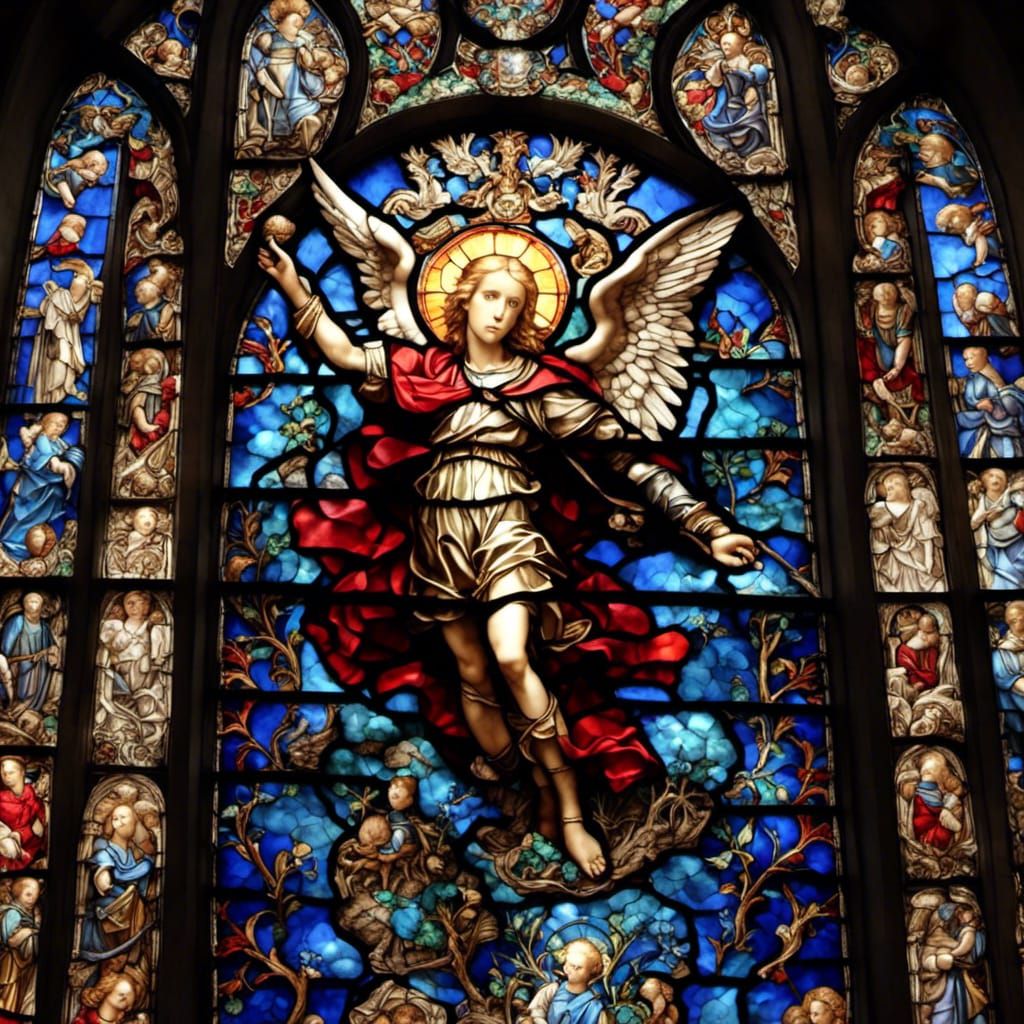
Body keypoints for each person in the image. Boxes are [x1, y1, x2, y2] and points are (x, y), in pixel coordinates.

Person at [259, 236, 756, 879]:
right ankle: (524, 789)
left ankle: (570, 808)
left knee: (513, 655)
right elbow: (343, 352)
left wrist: (707, 527)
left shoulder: (542, 386)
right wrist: (293, 284)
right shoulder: (423, 370)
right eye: (490, 296)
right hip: (440, 529)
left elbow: (626, 459)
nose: (499, 311)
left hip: (509, 524)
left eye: (513, 303)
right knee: (470, 670)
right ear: (464, 301)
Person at [240, 0, 327, 155]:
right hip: (272, 74)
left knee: (296, 101)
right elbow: (253, 55)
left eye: (300, 26)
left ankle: (300, 128)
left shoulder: (300, 41)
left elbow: (307, 61)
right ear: (279, 22)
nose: (298, 29)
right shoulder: (266, 37)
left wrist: (306, 56)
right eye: (294, 24)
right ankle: (271, 136)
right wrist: (260, 75)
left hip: (293, 76)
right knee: (272, 108)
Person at [94, 592, 172, 762]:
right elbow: (117, 644)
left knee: (143, 701)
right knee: (123, 699)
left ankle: (144, 739)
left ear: (147, 606)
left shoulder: (154, 627)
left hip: (145, 674)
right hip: (122, 671)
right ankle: (121, 734)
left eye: (140, 603)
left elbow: (159, 650)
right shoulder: (118, 625)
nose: (134, 607)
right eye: (129, 603)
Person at [0, 412, 84, 564]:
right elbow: (48, 456)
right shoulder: (41, 439)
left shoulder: (61, 444)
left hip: (49, 491)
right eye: (54, 423)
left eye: (62, 425)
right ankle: (11, 546)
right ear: (44, 423)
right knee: (23, 518)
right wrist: (57, 465)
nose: (58, 427)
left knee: (45, 510)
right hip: (33, 488)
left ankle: (30, 549)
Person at [80, 803, 155, 963]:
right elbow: (105, 881)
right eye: (116, 818)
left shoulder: (134, 855)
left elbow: (140, 890)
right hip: (106, 916)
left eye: (124, 818)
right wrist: (105, 876)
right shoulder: (104, 852)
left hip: (128, 915)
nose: (119, 822)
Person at [24, 258, 103, 404]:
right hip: (58, 334)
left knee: (65, 365)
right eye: (76, 281)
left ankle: (60, 393)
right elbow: (57, 308)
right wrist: (55, 294)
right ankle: (49, 399)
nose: (76, 285)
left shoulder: (75, 297)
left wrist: (56, 294)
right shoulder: (65, 295)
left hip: (68, 334)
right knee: (57, 365)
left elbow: (74, 312)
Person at [699, 30, 771, 159]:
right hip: (725, 97)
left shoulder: (744, 61)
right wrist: (719, 68)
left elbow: (755, 78)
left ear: (739, 46)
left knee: (748, 119)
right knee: (712, 120)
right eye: (723, 44)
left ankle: (748, 146)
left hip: (743, 98)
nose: (726, 47)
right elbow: (714, 79)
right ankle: (727, 149)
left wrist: (745, 79)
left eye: (729, 44)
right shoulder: (721, 63)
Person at [868, 470, 944, 592]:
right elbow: (877, 535)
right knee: (888, 581)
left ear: (906, 488)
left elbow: (927, 538)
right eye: (887, 486)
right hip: (893, 559)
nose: (890, 487)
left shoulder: (918, 507)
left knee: (935, 585)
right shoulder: (882, 510)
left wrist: (928, 562)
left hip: (918, 558)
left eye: (896, 483)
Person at [916, 899, 989, 1024]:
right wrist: (936, 962)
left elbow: (968, 953)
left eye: (961, 913)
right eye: (956, 916)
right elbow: (925, 959)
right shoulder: (933, 939)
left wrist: (952, 954)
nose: (959, 919)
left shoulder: (968, 935)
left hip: (960, 985)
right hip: (939, 990)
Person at [954, 347, 1024, 457]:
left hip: (996, 419)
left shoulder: (992, 376)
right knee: (956, 419)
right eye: (965, 359)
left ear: (984, 357)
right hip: (979, 417)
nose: (968, 363)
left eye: (972, 358)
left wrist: (991, 404)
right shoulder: (971, 379)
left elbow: (1002, 397)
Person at [526, 938, 610, 1024]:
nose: (568, 969)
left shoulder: (594, 1006)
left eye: (577, 967)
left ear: (592, 970)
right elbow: (534, 1013)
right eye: (568, 964)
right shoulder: (553, 989)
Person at [0, 592, 60, 714]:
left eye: (36, 602)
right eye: (30, 601)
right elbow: (5, 647)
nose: (32, 605)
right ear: (24, 605)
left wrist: (50, 652)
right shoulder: (17, 621)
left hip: (40, 670)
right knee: (17, 694)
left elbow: (52, 647)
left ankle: (30, 710)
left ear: (41, 606)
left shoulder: (45, 627)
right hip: (17, 667)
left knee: (34, 697)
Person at [969, 468, 1024, 589]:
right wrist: (985, 517)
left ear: (1006, 483)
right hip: (993, 548)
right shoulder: (980, 503)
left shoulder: (1011, 497)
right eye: (991, 476)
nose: (995, 479)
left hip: (1017, 541)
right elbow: (973, 524)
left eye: (1000, 477)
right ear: (983, 482)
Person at [0, 877, 40, 1015]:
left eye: (35, 896)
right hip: (10, 962)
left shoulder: (28, 914)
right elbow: (11, 941)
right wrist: (31, 931)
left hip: (19, 964)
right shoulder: (13, 913)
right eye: (28, 894)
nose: (32, 899)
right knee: (9, 993)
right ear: (16, 893)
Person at [0, 757, 46, 870]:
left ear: (22, 772)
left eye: (11, 772)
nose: (6, 776)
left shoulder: (36, 800)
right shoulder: (1, 799)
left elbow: (40, 831)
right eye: (3, 773)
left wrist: (23, 834)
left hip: (33, 857)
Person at [992, 600, 1024, 754]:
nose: (1017, 622)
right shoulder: (1001, 653)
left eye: (1019, 618)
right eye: (1013, 620)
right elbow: (1011, 681)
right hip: (1017, 713)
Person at [913, 133, 980, 199]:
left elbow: (973, 177)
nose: (920, 154)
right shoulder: (924, 166)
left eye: (927, 149)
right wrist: (937, 182)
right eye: (921, 150)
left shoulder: (955, 164)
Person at [72, 972, 148, 1024]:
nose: (124, 996)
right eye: (121, 994)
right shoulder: (84, 1020)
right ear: (106, 988)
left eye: (129, 994)